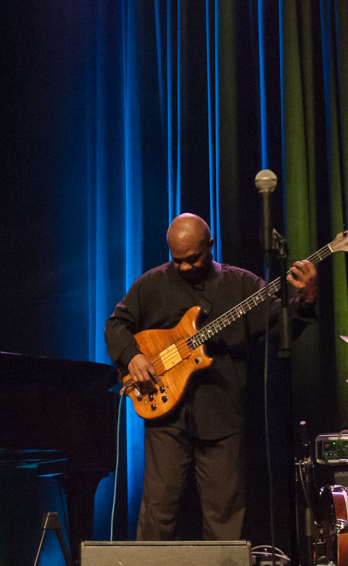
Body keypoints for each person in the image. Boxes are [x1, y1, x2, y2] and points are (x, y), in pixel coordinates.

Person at [105, 213, 318, 541]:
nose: (185, 268)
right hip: (166, 416)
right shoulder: (152, 283)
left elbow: (278, 325)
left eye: (193, 259)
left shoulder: (242, 285)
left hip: (222, 416)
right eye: (177, 261)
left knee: (225, 518)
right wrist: (132, 356)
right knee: (157, 515)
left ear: (210, 246)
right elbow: (116, 325)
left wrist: (305, 301)